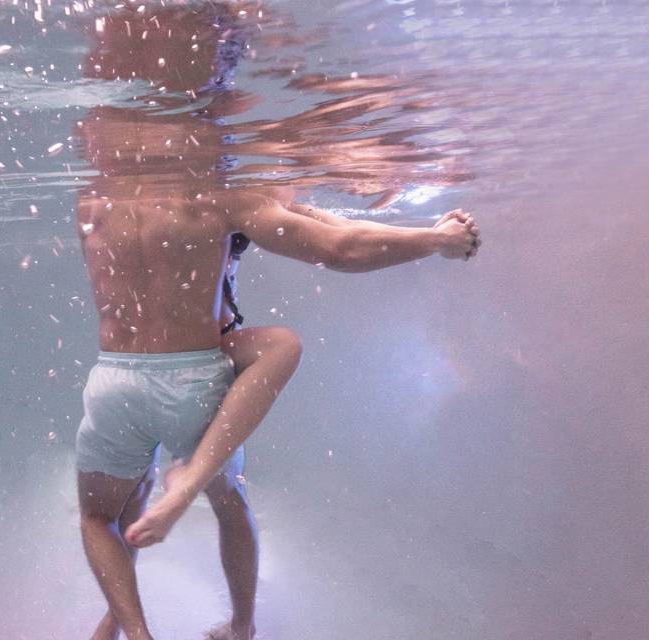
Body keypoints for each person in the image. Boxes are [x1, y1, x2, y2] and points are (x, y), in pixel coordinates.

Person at [74, 4, 482, 640]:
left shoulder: (93, 195)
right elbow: (337, 246)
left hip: (111, 384)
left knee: (102, 518)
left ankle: (128, 632)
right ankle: (237, 620)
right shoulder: (224, 198)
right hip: (193, 383)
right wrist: (432, 239)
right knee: (232, 500)